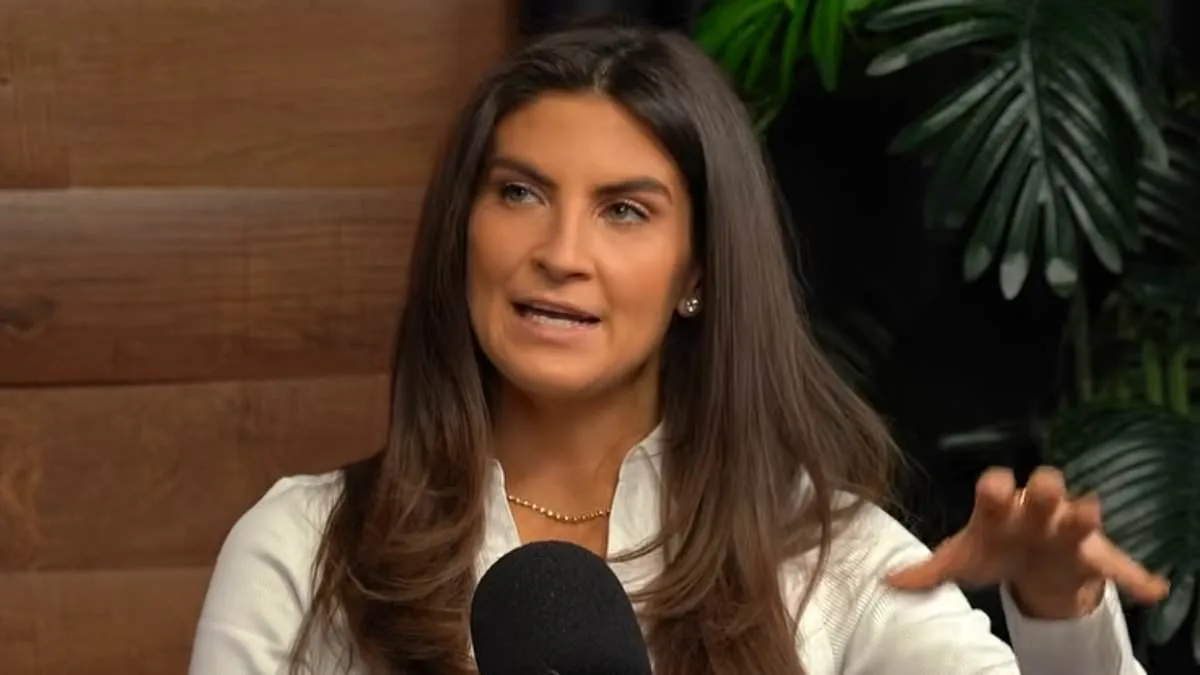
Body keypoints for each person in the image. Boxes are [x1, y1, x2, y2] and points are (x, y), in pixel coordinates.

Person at [187, 21, 1169, 675]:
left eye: (624, 210)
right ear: (464, 228)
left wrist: (1059, 611)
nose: (559, 253)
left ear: (697, 269)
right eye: (519, 193)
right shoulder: (303, 546)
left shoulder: (822, 555)